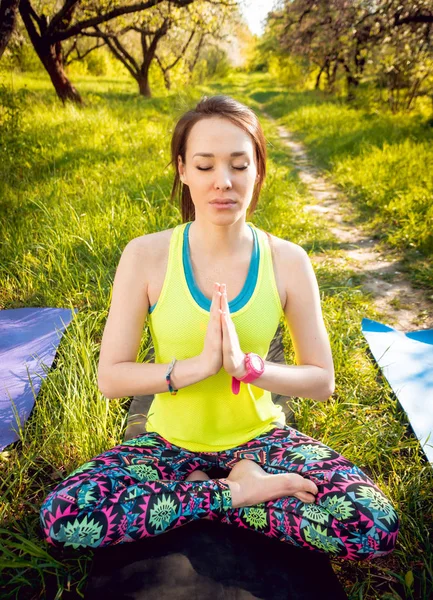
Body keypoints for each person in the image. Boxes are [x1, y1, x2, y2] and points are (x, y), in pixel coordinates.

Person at [40, 95, 399, 560]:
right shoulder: (146, 255)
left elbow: (321, 380)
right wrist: (197, 367)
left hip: (262, 441)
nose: (223, 182)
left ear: (258, 170)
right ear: (183, 169)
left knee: (372, 526)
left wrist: (246, 369)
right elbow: (112, 377)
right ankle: (238, 494)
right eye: (205, 166)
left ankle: (200, 493)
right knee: (64, 516)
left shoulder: (289, 261)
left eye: (238, 165)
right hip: (168, 447)